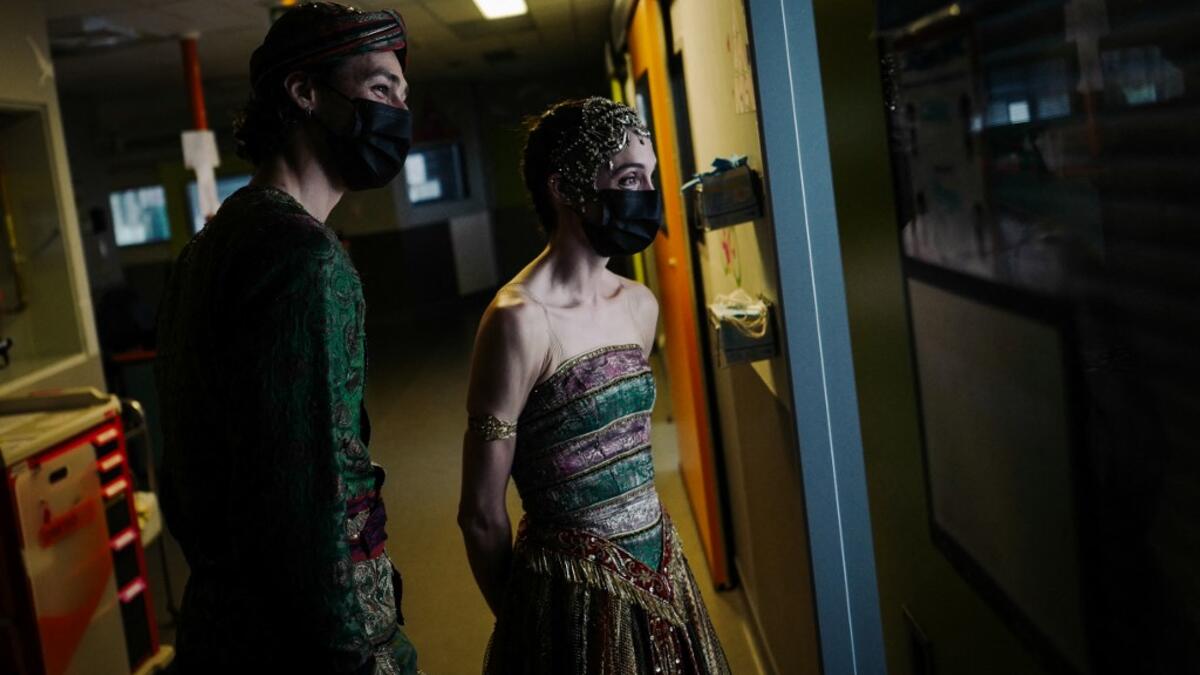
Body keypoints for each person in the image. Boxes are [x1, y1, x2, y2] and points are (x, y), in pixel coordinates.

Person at [154, 4, 420, 673]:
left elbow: (186, 479)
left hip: (222, 623)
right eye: (380, 89)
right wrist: (353, 656)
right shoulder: (306, 263)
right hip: (303, 643)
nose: (398, 114)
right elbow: (315, 499)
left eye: (402, 96)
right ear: (304, 92)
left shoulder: (210, 247)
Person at [458, 97, 730, 674]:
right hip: (566, 597)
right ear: (565, 189)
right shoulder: (518, 318)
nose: (647, 194)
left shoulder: (639, 305)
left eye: (651, 177)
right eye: (630, 178)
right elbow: (481, 512)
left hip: (663, 568)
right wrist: (526, 626)